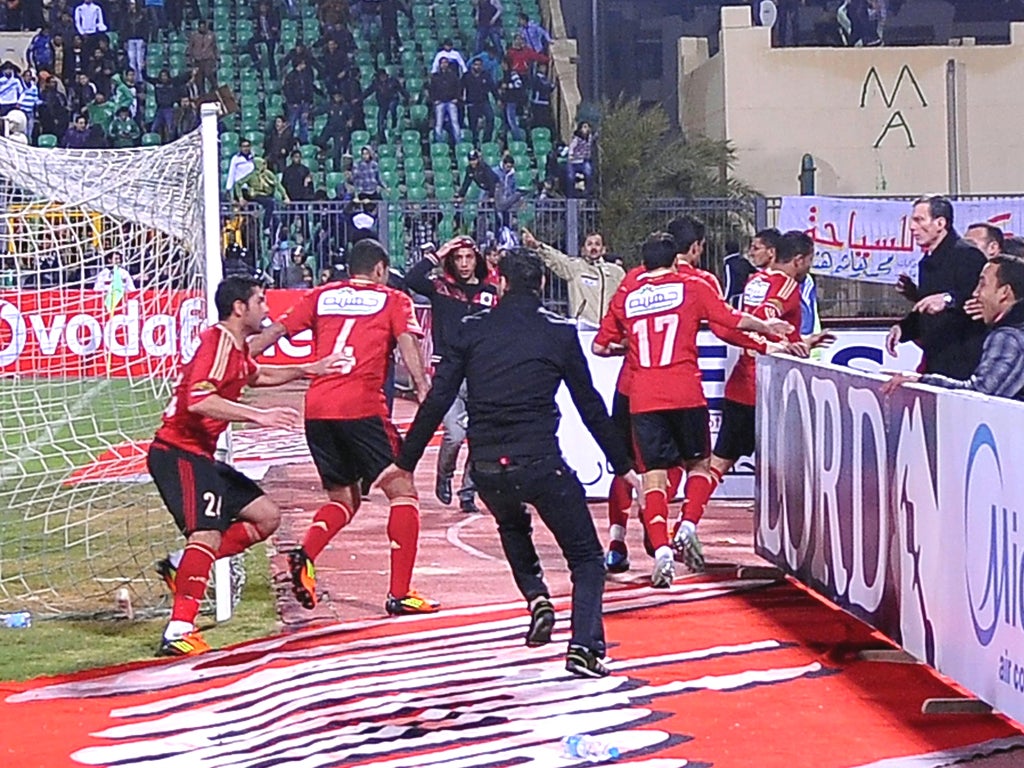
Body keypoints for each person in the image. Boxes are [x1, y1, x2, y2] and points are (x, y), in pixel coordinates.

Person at [379, 248, 642, 678]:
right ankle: (585, 647)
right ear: (541, 285)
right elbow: (590, 405)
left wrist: (406, 461)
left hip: (487, 465)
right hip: (540, 460)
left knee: (510, 521)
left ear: (500, 284)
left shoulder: (472, 329)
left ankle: (536, 595)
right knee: (586, 558)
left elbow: (438, 398)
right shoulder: (559, 333)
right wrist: (622, 464)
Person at [248, 239, 438, 616]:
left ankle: (305, 555)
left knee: (344, 500)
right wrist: (422, 388)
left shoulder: (321, 295)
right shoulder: (393, 299)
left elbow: (275, 333)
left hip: (317, 410)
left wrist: (238, 356)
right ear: (381, 270)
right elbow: (407, 345)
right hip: (362, 408)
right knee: (403, 492)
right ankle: (400, 593)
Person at [148, 276, 336, 656]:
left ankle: (180, 566)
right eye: (260, 301)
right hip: (178, 451)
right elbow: (198, 399)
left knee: (266, 516)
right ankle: (179, 630)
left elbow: (259, 375)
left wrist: (310, 368)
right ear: (239, 307)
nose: (267, 308)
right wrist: (256, 416)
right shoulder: (217, 341)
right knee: (207, 533)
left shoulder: (236, 350)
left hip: (199, 454)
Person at [593, 232, 794, 588]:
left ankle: (658, 549)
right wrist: (769, 329)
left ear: (644, 262)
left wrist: (630, 348)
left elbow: (600, 346)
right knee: (699, 465)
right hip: (686, 392)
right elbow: (731, 320)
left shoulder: (629, 292)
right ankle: (687, 524)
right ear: (679, 258)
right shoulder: (693, 285)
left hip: (641, 396)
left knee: (649, 475)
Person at [704, 231, 830, 568]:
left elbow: (752, 325)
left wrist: (803, 340)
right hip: (769, 391)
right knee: (788, 466)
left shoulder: (755, 281)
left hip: (742, 383)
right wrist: (770, 343)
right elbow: (764, 323)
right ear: (800, 259)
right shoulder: (787, 287)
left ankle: (687, 522)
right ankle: (794, 545)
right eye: (810, 260)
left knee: (720, 461)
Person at [406, 236, 497, 514]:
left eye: (469, 258)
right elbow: (412, 278)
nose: (464, 263)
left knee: (481, 436)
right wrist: (440, 251)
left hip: (482, 372)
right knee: (455, 434)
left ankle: (468, 492)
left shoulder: (491, 293)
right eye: (458, 258)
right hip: (447, 371)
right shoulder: (440, 288)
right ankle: (444, 475)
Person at [883, 256, 1024, 401]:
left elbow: (979, 396)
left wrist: (921, 381)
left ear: (1004, 292)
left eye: (982, 284)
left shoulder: (1009, 337)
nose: (975, 293)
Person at [887, 195, 987, 380]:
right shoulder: (927, 262)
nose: (911, 227)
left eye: (919, 220)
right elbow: (928, 308)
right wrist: (903, 329)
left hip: (965, 367)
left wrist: (948, 300)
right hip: (937, 363)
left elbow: (978, 302)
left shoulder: (968, 255)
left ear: (940, 223)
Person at [520, 227, 623, 326]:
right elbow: (557, 259)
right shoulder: (575, 267)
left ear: (603, 249)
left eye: (597, 244)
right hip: (583, 327)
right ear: (583, 249)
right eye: (589, 244)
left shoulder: (616, 272)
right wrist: (538, 246)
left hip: (609, 331)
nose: (593, 248)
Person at [721, 238, 756, 308]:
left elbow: (729, 282)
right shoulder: (744, 261)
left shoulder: (729, 264)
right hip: (745, 296)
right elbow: (755, 271)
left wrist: (725, 299)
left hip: (735, 297)